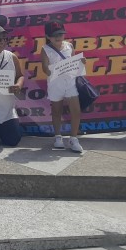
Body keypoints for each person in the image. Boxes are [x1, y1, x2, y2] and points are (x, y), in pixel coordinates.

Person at [39, 21, 83, 153]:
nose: (58, 37)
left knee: (76, 111)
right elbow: (45, 69)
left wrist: (81, 62)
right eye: (54, 35)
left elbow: (74, 63)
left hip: (70, 83)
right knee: (57, 111)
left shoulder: (69, 46)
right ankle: (58, 136)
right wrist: (54, 70)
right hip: (55, 84)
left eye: (61, 34)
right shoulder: (45, 49)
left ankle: (73, 138)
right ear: (48, 36)